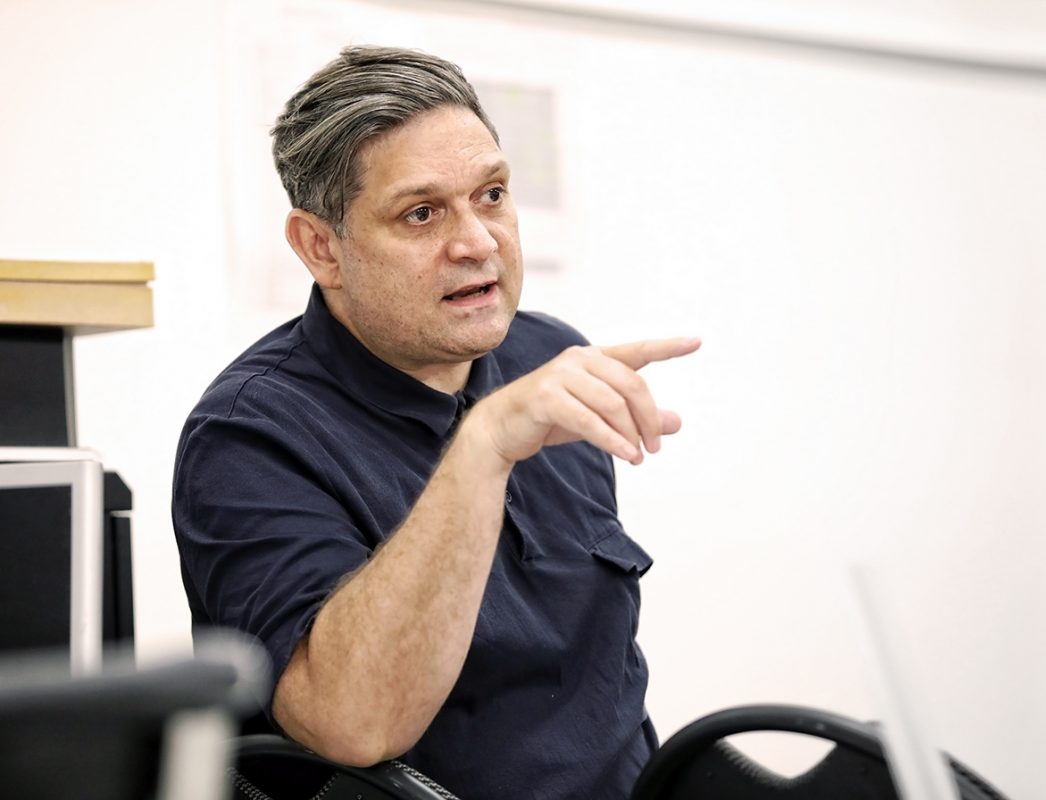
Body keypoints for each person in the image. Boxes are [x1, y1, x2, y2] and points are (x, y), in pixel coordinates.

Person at [172, 46, 699, 800]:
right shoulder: (248, 434)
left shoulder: (551, 358)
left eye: (491, 195)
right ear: (322, 247)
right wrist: (483, 448)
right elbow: (352, 726)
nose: (478, 243)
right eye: (422, 213)